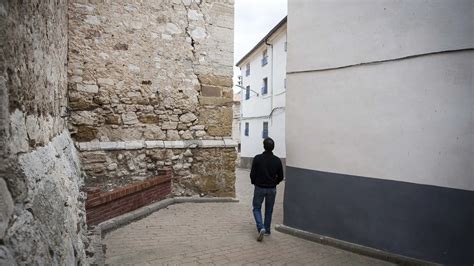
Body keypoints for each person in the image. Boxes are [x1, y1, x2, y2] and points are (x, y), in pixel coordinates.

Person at [250, 137, 284, 241]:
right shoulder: (277, 160)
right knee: (269, 210)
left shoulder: (257, 158)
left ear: (264, 146)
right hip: (272, 189)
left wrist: (254, 182)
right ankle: (267, 230)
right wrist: (275, 182)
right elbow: (281, 176)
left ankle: (261, 227)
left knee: (256, 208)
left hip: (259, 187)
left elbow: (252, 174)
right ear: (273, 147)